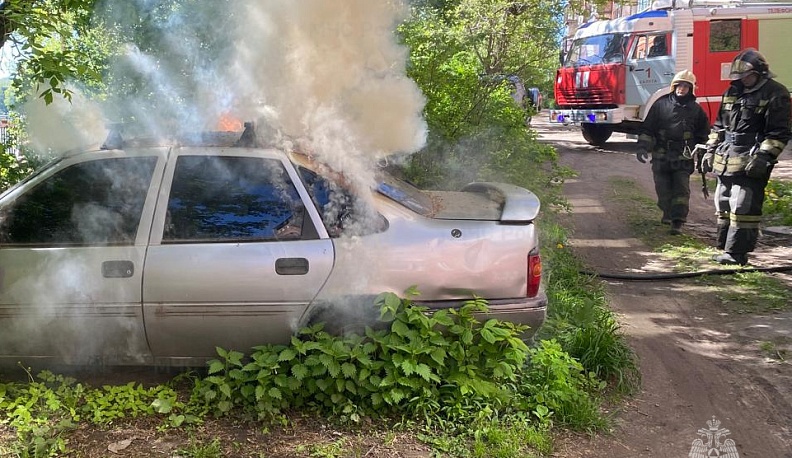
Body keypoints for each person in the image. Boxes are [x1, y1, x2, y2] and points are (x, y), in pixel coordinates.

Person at [701, 48, 792, 265]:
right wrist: (710, 148)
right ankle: (725, 247)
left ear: (760, 73)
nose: (744, 80)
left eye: (748, 76)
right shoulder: (732, 91)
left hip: (752, 159)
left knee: (743, 206)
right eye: (741, 76)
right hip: (727, 157)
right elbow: (719, 125)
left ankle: (738, 253)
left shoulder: (775, 93)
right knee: (723, 201)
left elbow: (779, 133)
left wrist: (764, 157)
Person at [636, 69, 710, 235]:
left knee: (681, 190)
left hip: (683, 157)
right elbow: (647, 128)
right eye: (679, 85)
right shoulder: (660, 105)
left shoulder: (696, 109)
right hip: (661, 156)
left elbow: (703, 134)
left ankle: (678, 221)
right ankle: (667, 212)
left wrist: (703, 154)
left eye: (685, 86)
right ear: (673, 86)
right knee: (663, 189)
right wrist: (642, 147)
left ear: (691, 89)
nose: (681, 89)